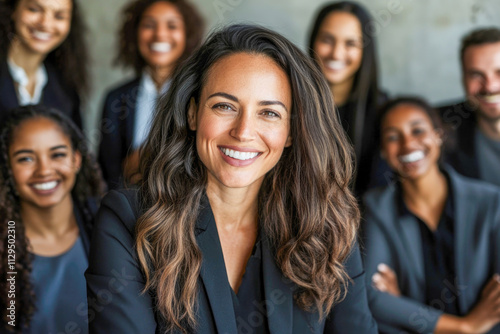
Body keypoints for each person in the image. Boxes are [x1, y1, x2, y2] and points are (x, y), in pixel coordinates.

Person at [86, 24, 377, 333]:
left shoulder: (326, 224)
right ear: (193, 113)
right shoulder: (129, 220)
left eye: (269, 113)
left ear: (291, 131)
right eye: (224, 106)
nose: (243, 132)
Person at [362, 97, 500, 333]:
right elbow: (373, 298)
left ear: (438, 135)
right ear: (384, 151)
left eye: (418, 130)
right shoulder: (377, 207)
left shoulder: (491, 202)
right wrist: (464, 327)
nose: (408, 144)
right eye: (393, 137)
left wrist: (404, 305)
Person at [0, 105, 104, 333]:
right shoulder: (4, 247)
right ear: (8, 168)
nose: (44, 170)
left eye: (57, 154)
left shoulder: (110, 231)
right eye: (25, 159)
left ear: (76, 160)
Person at [98, 0, 204, 190]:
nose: (160, 34)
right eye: (149, 25)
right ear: (135, 32)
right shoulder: (116, 98)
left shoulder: (200, 94)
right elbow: (108, 171)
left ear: (187, 34)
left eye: (172, 26)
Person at [308, 1, 389, 196]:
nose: (336, 53)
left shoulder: (384, 111)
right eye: (327, 40)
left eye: (350, 43)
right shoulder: (287, 102)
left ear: (365, 50)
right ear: (312, 41)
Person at [0, 0, 88, 129]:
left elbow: (76, 147)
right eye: (34, 10)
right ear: (13, 10)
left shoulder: (66, 88)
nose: (45, 24)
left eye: (59, 16)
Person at [439, 28, 500, 187]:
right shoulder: (439, 123)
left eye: (499, 72)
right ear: (463, 79)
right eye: (476, 75)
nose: (490, 86)